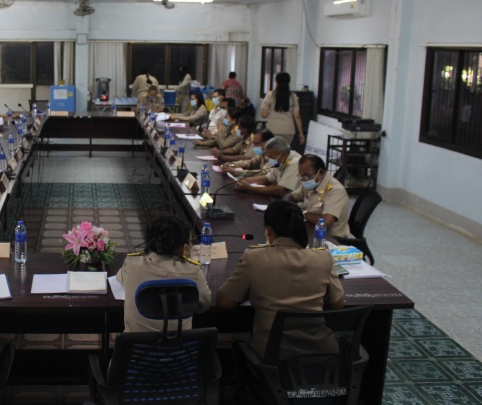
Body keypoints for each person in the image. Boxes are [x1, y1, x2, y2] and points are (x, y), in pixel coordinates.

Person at [215, 199, 345, 368]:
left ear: (269, 231)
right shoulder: (323, 258)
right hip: (319, 354)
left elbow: (224, 302)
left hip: (271, 356)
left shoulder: (254, 258)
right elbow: (338, 303)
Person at [116, 214, 211, 332]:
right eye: (190, 241)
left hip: (136, 343)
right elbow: (204, 305)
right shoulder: (193, 271)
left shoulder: (131, 264)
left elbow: (119, 278)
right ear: (183, 247)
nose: (192, 245)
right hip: (180, 343)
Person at [284, 155, 350, 238]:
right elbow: (292, 196)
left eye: (306, 175)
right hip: (311, 229)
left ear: (321, 173)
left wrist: (302, 213)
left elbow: (326, 221)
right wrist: (286, 202)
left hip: (330, 238)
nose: (303, 179)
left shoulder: (335, 190)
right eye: (300, 175)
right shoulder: (310, 183)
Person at [236, 136, 301, 197]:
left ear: (283, 154)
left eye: (271, 157)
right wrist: (246, 180)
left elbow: (281, 190)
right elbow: (268, 179)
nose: (270, 160)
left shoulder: (296, 162)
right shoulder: (281, 160)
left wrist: (250, 188)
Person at [261, 72, 305, 145]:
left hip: (273, 130)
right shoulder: (293, 96)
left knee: (273, 150)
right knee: (285, 150)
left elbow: (264, 115)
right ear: (288, 82)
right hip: (288, 130)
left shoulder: (270, 95)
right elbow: (297, 116)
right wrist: (301, 133)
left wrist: (271, 112)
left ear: (276, 82)